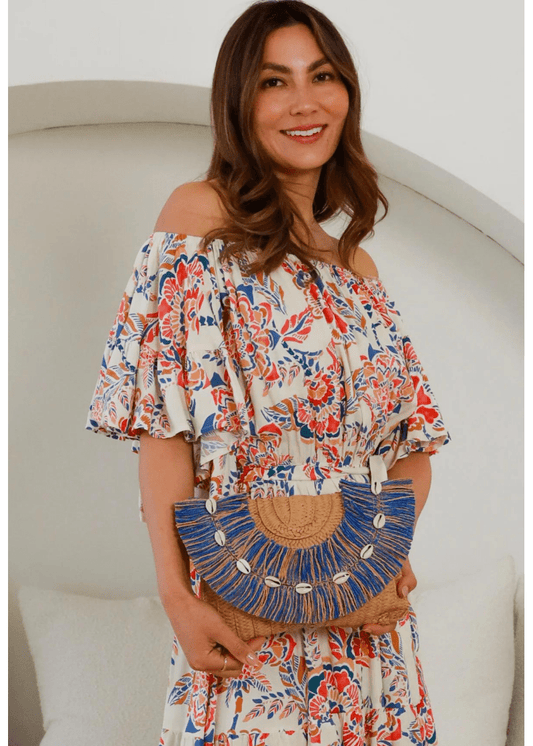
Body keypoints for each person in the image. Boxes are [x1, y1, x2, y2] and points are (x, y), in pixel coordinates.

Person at [86, 1, 451, 743]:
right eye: (272, 82)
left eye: (321, 76)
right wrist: (175, 599)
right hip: (240, 612)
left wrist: (386, 545)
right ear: (237, 104)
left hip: (364, 634)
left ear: (346, 92)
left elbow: (412, 444)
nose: (304, 102)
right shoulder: (196, 220)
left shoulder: (356, 268)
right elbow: (163, 428)